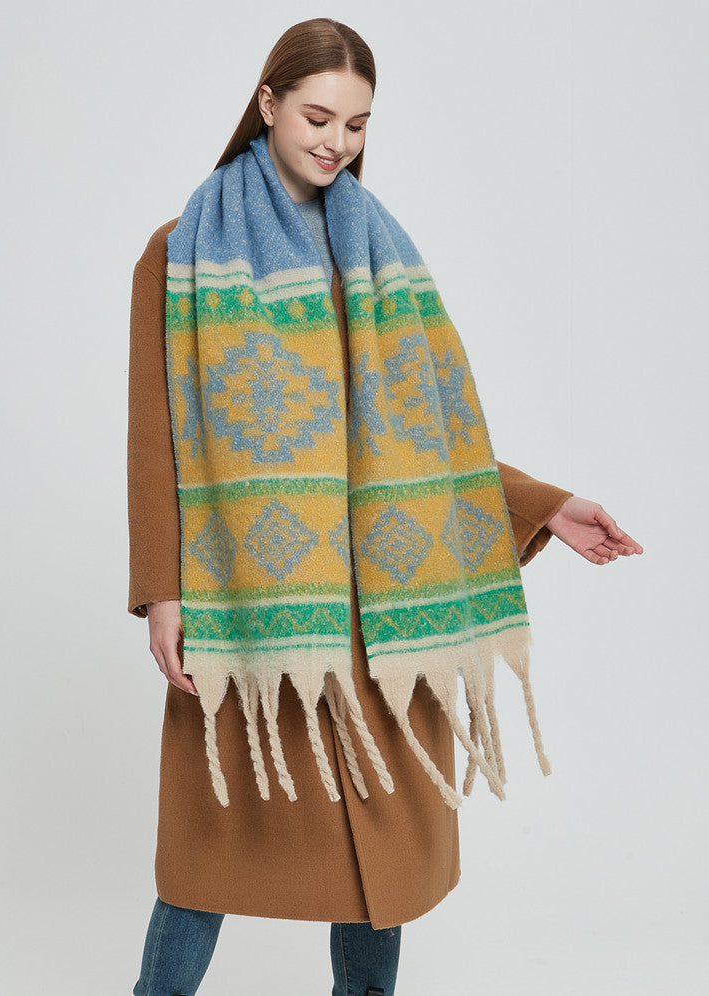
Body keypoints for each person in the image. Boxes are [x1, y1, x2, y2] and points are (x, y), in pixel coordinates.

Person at [126, 17, 643, 996]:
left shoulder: (374, 253)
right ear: (268, 102)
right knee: (206, 857)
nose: (337, 142)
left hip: (378, 610)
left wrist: (546, 505)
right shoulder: (182, 251)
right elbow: (155, 436)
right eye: (318, 117)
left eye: (357, 124)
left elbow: (418, 442)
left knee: (379, 872)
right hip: (253, 600)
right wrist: (162, 590)